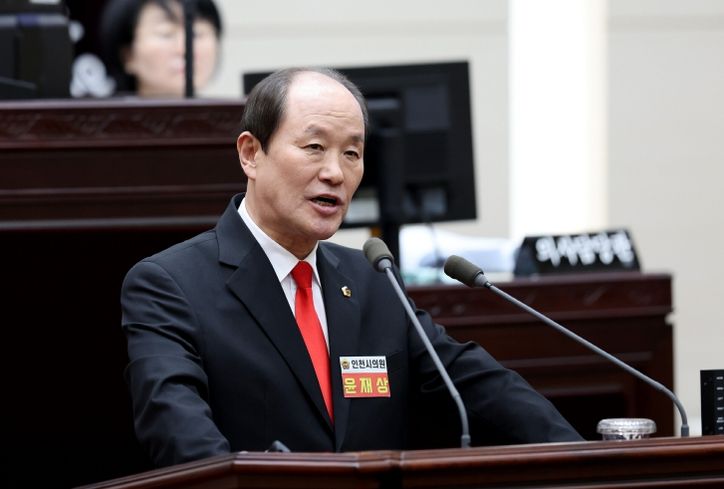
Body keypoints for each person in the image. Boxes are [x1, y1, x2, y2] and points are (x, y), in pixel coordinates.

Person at [121, 67, 583, 468]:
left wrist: (583, 458)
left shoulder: (372, 279)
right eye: (314, 147)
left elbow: (477, 386)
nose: (336, 173)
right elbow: (179, 435)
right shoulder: (170, 285)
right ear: (251, 154)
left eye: (352, 153)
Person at [99, 0, 222, 97]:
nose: (184, 49)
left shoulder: (229, 119)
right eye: (166, 34)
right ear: (128, 55)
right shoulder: (102, 119)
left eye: (196, 34)